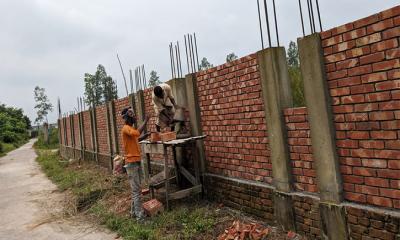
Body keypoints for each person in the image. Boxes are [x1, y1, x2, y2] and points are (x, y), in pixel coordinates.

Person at [121, 107, 150, 221]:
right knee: (136, 191)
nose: (134, 119)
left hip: (136, 162)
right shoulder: (125, 128)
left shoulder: (130, 130)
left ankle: (134, 213)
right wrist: (146, 121)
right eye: (132, 117)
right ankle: (140, 218)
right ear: (127, 118)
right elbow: (137, 133)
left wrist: (145, 136)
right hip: (131, 163)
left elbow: (136, 139)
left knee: (136, 189)